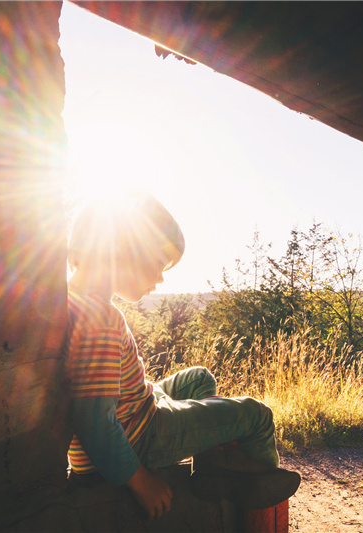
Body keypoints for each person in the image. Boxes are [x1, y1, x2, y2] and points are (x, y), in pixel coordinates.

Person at [65, 189, 300, 520]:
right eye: (159, 264)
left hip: (134, 412)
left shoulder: (72, 300)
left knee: (200, 377)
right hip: (143, 434)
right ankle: (257, 494)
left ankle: (213, 464)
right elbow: (95, 423)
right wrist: (141, 480)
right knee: (256, 416)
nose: (160, 279)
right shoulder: (100, 319)